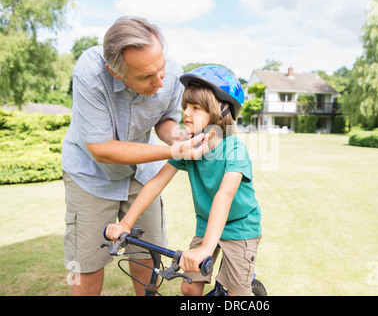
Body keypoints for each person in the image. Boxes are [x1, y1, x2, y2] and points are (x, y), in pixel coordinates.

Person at [62, 16, 208, 296]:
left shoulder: (172, 72)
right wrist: (173, 151)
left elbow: (166, 119)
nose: (159, 82)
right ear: (115, 72)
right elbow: (102, 148)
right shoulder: (90, 74)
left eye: (161, 70)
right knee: (88, 262)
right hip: (91, 176)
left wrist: (177, 136)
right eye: (144, 77)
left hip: (142, 173)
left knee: (147, 255)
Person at [106, 65, 262, 296]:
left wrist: (206, 249)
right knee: (189, 287)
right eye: (185, 106)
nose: (186, 113)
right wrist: (126, 223)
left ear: (222, 110)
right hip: (207, 225)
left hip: (240, 228)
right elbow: (156, 183)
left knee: (236, 294)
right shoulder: (190, 147)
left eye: (196, 107)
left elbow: (225, 195)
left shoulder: (234, 149)